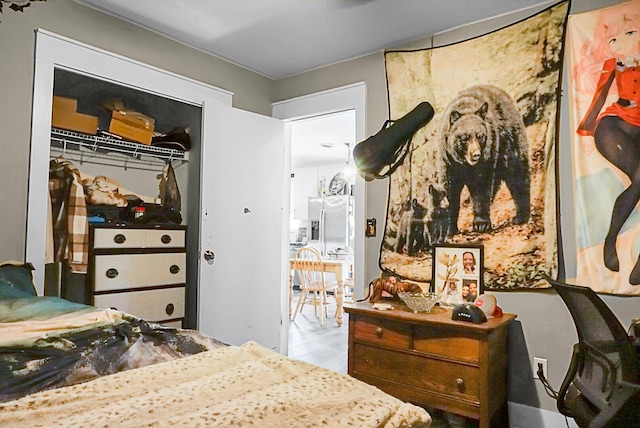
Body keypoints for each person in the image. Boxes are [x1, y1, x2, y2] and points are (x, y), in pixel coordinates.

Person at [573, 12, 640, 284]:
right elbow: (600, 93)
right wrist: (587, 133)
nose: (620, 42)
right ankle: (611, 239)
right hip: (612, 125)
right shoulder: (614, 63)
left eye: (629, 33)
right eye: (613, 39)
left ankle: (613, 241)